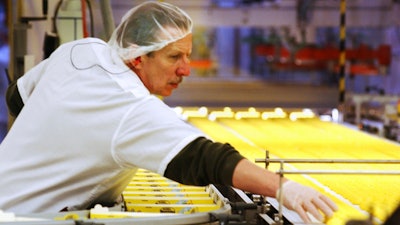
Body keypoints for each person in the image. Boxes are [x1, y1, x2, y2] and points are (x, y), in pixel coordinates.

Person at [0, 1, 337, 223]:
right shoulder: (130, 107)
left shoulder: (83, 49)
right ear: (138, 57)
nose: (186, 70)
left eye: (188, 57)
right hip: (26, 218)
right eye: (174, 58)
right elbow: (207, 159)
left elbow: (17, 97)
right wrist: (283, 188)